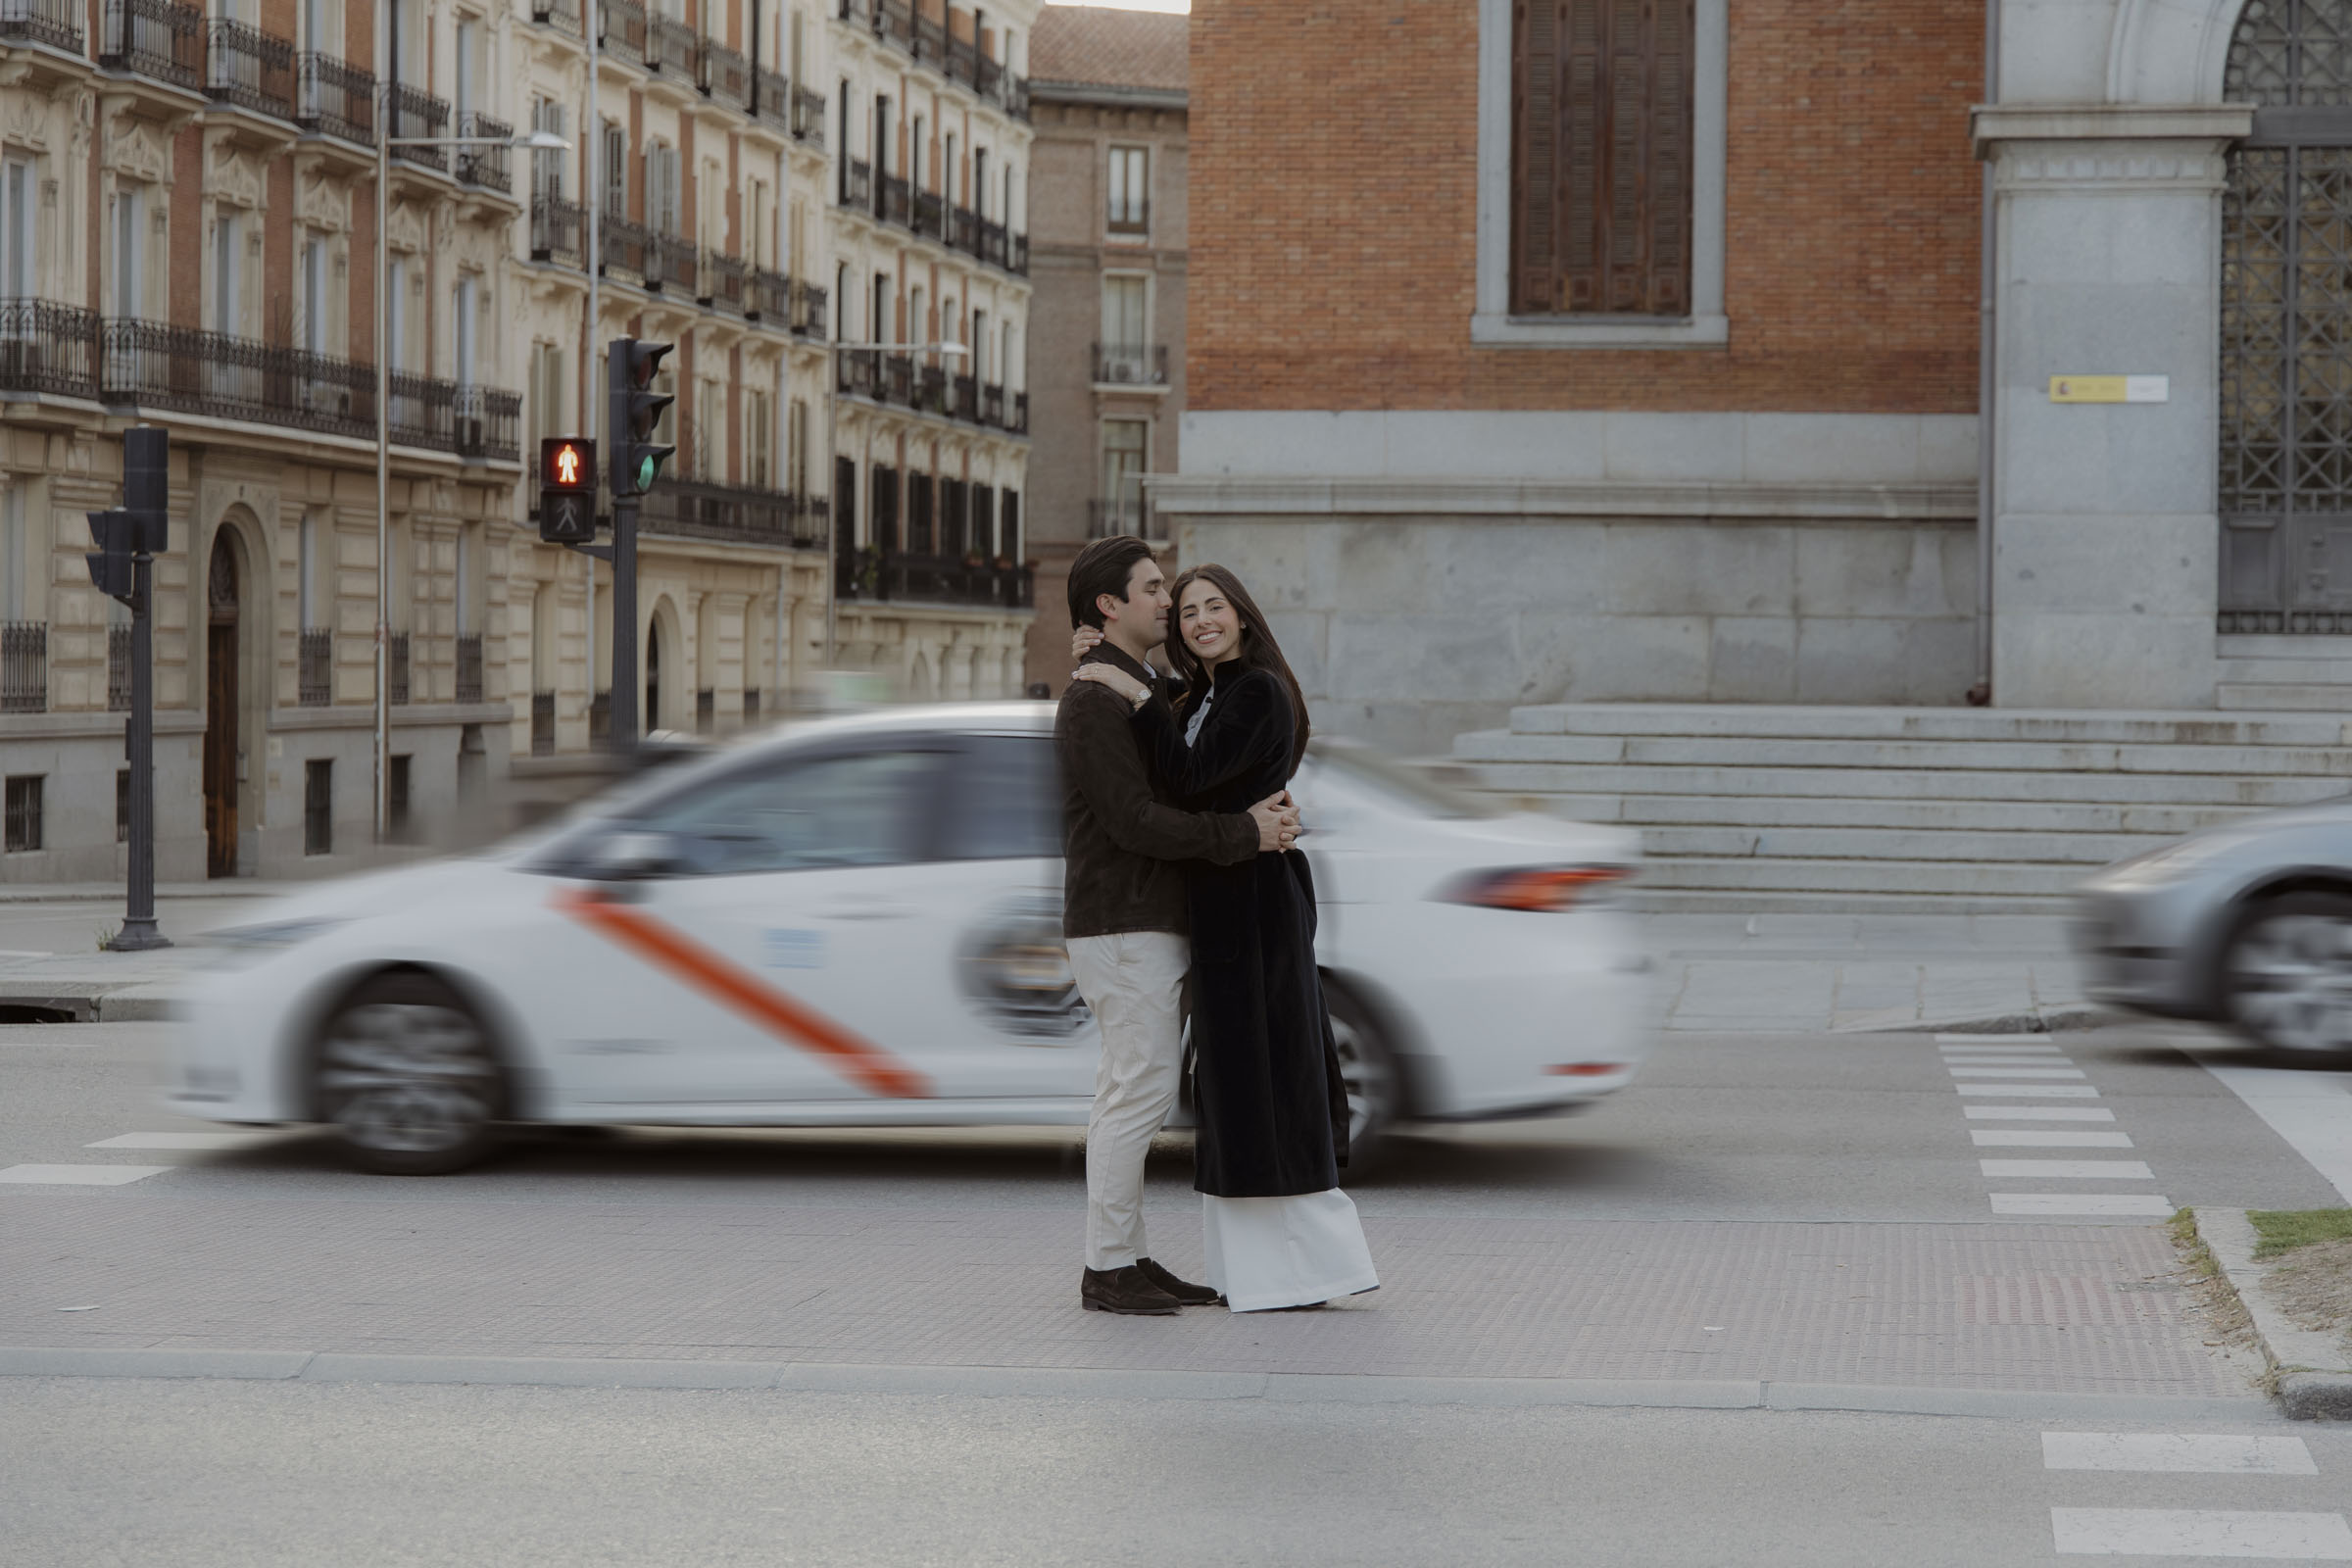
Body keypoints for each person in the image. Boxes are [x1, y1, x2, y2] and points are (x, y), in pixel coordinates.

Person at [1072, 564, 1378, 1313]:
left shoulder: (1255, 691)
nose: (1198, 619)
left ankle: (1303, 1269)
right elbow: (1158, 775)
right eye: (1184, 609)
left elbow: (1184, 777)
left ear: (1243, 615)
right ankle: (1240, 1269)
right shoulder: (1200, 695)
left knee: (1272, 1082)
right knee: (1236, 1092)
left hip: (1255, 904)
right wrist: (1110, 671)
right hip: (1218, 903)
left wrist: (1130, 688)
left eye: (1214, 607)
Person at [1055, 535, 1301, 1317]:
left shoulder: (1130, 686)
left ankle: (1123, 1255)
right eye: (1156, 589)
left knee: (1130, 1094)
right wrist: (1245, 836)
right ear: (1111, 605)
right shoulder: (1095, 699)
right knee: (1138, 1098)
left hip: (1142, 921)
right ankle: (1107, 1270)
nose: (1171, 602)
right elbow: (1134, 818)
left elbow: (1182, 758)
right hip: (1124, 924)